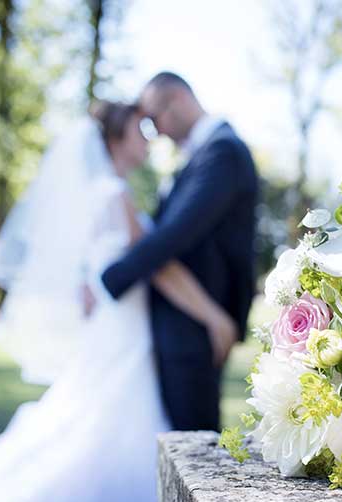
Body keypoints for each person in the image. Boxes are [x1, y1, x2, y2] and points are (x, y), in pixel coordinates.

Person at [0, 101, 236, 502]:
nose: (146, 140)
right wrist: (215, 316)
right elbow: (160, 267)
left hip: (118, 335)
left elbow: (91, 273)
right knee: (115, 441)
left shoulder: (96, 196)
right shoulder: (114, 194)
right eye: (138, 133)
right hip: (124, 342)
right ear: (115, 141)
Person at [101, 72, 258, 432]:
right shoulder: (201, 155)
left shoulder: (224, 151)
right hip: (183, 324)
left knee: (196, 448)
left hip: (193, 330)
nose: (155, 132)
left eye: (154, 120)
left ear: (179, 101)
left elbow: (176, 235)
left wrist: (114, 276)